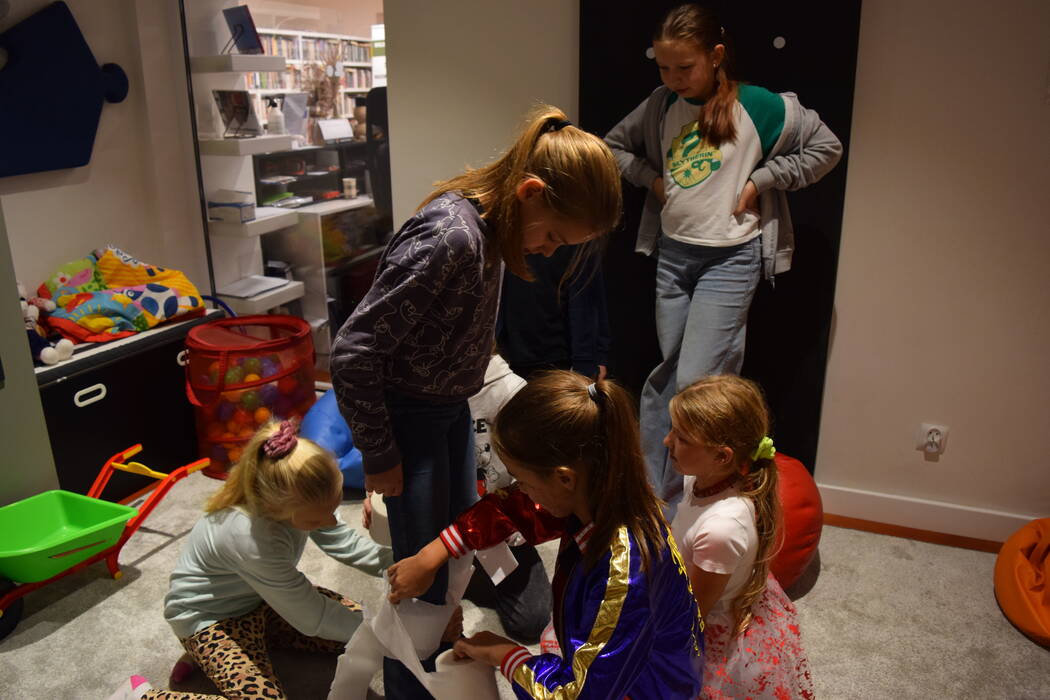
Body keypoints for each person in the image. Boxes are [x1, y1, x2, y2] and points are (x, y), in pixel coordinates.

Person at [330, 106, 622, 698]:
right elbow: (354, 350)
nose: (547, 251)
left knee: (452, 561)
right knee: (418, 583)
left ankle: (435, 667)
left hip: (450, 412)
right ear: (530, 192)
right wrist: (379, 452)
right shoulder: (451, 237)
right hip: (412, 424)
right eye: (552, 237)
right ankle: (408, 688)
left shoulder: (491, 237)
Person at [604, 3, 843, 517]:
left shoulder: (759, 106)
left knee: (699, 384)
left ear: (715, 56)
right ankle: (649, 495)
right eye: (664, 67)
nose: (674, 78)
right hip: (674, 256)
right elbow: (614, 147)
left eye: (684, 67)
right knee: (667, 378)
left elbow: (826, 147)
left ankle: (690, 503)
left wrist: (763, 180)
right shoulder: (661, 105)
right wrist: (653, 180)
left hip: (730, 260)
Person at [386, 371, 704, 699]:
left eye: (523, 481)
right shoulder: (602, 494)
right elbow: (516, 509)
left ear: (563, 479)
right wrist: (433, 554)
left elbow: (577, 694)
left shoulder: (624, 575)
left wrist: (508, 656)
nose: (520, 491)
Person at [108, 419, 395, 700]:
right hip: (210, 620)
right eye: (317, 519)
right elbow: (313, 616)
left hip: (264, 601)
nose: (331, 521)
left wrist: (400, 564)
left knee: (367, 623)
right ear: (279, 509)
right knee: (367, 630)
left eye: (334, 507)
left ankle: (217, 656)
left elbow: (345, 543)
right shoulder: (250, 536)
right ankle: (140, 694)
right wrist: (384, 635)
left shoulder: (297, 503)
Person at [666, 375, 814, 698]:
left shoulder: (721, 529)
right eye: (672, 430)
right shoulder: (700, 479)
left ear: (722, 456)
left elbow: (691, 614)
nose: (666, 441)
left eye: (681, 438)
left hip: (702, 630)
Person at [462, 353, 552, 644]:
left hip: (500, 525)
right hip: (445, 518)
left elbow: (537, 474)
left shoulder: (512, 392)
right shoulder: (420, 386)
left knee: (532, 620)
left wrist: (517, 525)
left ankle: (476, 575)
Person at [497, 244, 610, 381]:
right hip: (503, 353)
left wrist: (594, 357)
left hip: (556, 357)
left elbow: (589, 299)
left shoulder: (579, 241)